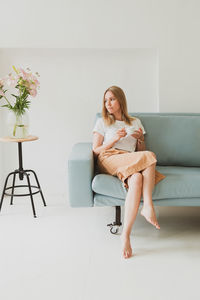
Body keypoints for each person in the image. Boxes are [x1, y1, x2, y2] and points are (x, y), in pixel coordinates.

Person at [92, 85, 166, 259]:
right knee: (150, 156)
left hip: (129, 159)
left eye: (112, 99)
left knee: (138, 178)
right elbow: (96, 150)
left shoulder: (135, 122)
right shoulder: (102, 121)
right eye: (105, 100)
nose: (108, 103)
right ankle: (147, 205)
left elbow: (141, 151)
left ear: (121, 100)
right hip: (108, 157)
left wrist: (140, 139)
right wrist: (114, 139)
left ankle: (125, 235)